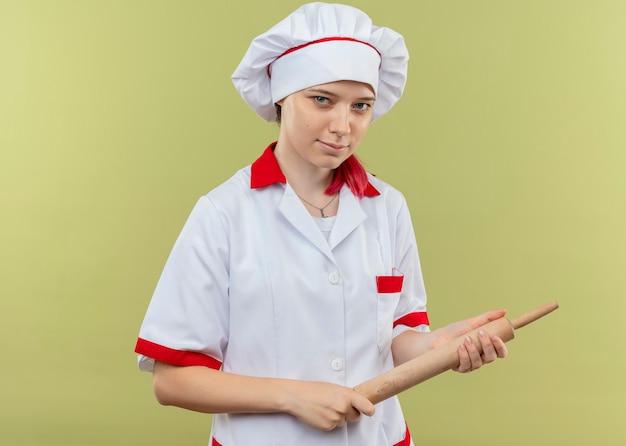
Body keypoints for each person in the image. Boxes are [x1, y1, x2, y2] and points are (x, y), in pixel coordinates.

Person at [134, 3, 507, 445]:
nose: (342, 126)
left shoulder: (388, 207)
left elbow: (398, 338)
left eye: (361, 106)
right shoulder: (223, 214)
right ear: (281, 97)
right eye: (322, 100)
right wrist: (293, 397)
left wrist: (437, 348)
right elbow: (171, 380)